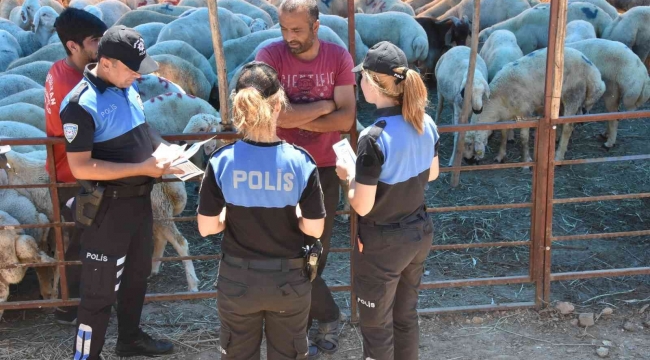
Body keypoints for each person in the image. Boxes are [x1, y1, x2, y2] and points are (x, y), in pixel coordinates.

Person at [60, 25, 180, 359]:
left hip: (138, 204)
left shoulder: (125, 86)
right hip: (107, 211)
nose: (138, 77)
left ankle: (129, 340)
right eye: (132, 69)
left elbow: (142, 129)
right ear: (107, 62)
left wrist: (167, 150)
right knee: (98, 293)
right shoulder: (80, 105)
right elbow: (80, 167)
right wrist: (141, 169)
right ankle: (86, 356)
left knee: (136, 277)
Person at [197, 61, 326, 360]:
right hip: (288, 282)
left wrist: (230, 217)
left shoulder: (221, 161)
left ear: (239, 107)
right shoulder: (301, 162)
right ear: (279, 104)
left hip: (238, 281)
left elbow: (206, 227)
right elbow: (315, 229)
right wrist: (291, 216)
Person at [254, 0, 356, 356]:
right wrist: (326, 106)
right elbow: (271, 114)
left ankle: (310, 321)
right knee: (284, 250)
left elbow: (347, 121)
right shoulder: (268, 55)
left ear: (316, 25)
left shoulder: (338, 57)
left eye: (296, 30)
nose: (289, 37)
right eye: (283, 29)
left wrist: (296, 117)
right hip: (279, 165)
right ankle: (325, 317)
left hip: (323, 168)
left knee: (315, 253)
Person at [336, 41, 440, 360]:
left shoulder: (373, 137)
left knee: (377, 327)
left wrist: (348, 174)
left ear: (374, 83)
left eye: (362, 77)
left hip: (383, 244)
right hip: (418, 232)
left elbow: (362, 205)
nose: (359, 82)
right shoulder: (425, 122)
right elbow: (432, 174)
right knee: (405, 317)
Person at [45, 7, 108, 327]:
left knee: (93, 239)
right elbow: (68, 131)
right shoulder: (64, 77)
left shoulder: (82, 72)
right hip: (73, 173)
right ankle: (68, 307)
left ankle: (89, 303)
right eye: (95, 40)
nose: (101, 45)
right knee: (76, 241)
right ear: (73, 46)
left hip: (91, 169)